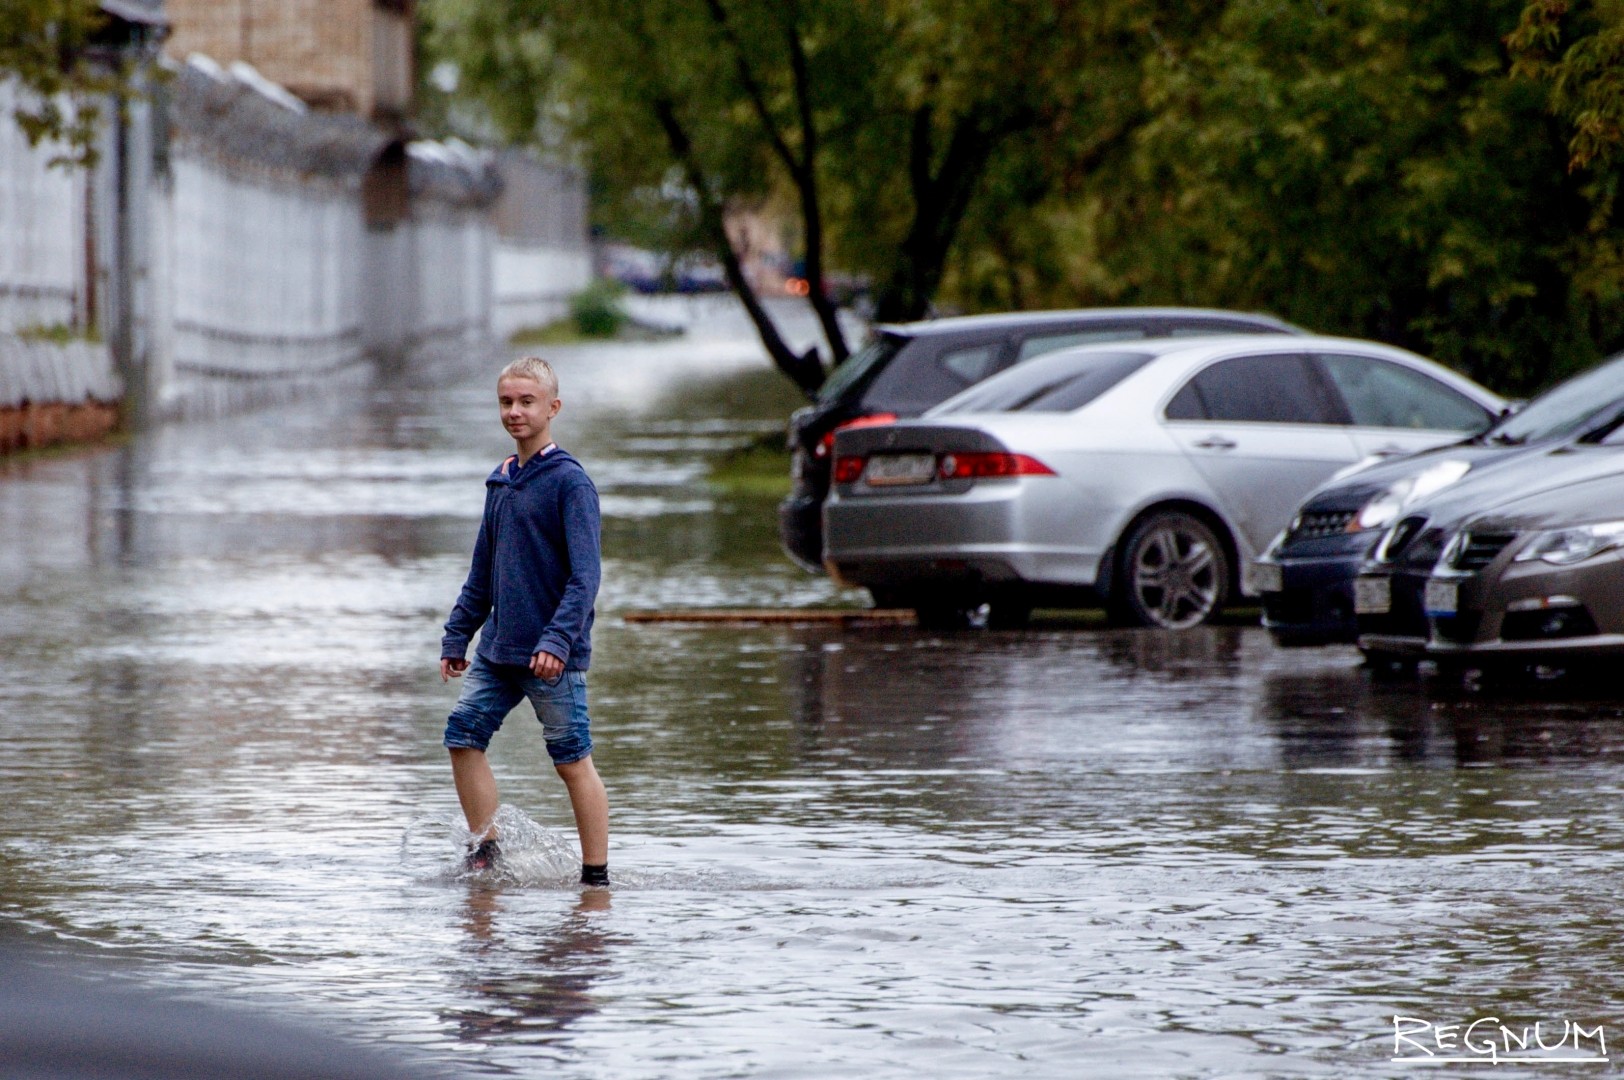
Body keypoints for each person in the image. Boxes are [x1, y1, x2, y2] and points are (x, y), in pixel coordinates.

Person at [439, 356, 610, 887]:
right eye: (506, 402)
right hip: (498, 650)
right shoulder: (501, 481)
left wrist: (558, 641)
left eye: (526, 401)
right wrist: (458, 634)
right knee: (462, 735)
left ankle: (596, 878)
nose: (514, 411)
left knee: (570, 760)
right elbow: (482, 571)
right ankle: (486, 854)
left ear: (552, 408)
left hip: (551, 657)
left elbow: (585, 578)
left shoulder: (570, 484)